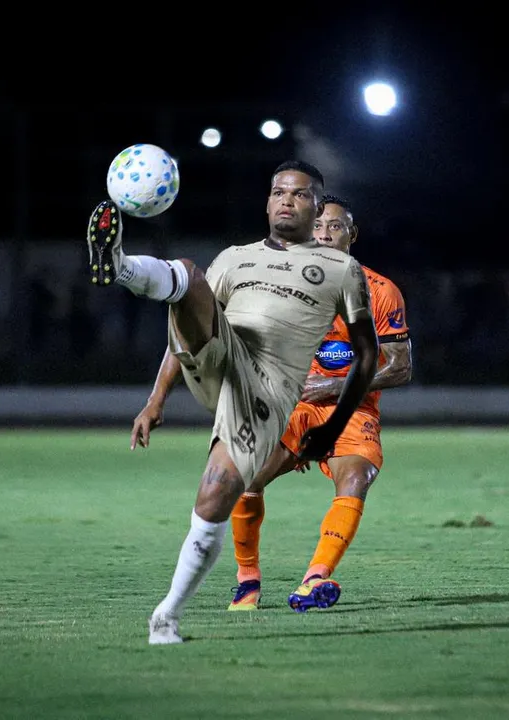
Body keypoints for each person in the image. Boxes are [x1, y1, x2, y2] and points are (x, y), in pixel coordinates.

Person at [88, 160, 379, 645]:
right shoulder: (235, 258)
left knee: (217, 493)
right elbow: (188, 327)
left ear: (316, 208)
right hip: (221, 356)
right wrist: (155, 399)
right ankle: (119, 266)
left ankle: (166, 616)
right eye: (279, 191)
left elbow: (367, 355)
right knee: (187, 274)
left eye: (300, 194)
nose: (287, 201)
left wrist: (332, 428)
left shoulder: (340, 269)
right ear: (267, 202)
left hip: (265, 390)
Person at [223, 195, 412, 612]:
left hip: (352, 407)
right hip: (292, 405)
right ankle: (247, 580)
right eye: (318, 226)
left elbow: (400, 367)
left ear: (352, 234)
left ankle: (315, 578)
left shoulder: (380, 291)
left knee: (356, 479)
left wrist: (334, 386)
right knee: (245, 475)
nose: (325, 234)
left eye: (336, 227)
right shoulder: (279, 284)